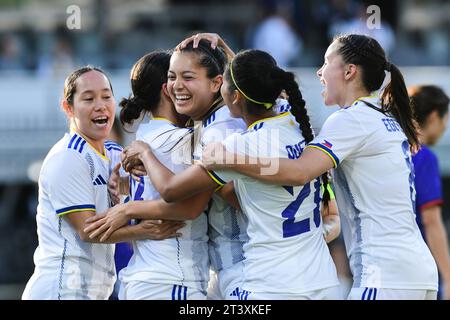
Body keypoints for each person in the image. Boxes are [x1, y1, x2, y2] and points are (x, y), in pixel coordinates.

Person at [202, 34, 439, 300]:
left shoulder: (350, 121)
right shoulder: (381, 114)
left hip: (385, 275)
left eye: (327, 62)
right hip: (416, 270)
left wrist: (229, 159)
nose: (319, 71)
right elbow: (266, 89)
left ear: (349, 71)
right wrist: (232, 60)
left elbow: (300, 172)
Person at [122, 48, 341, 299]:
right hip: (322, 279)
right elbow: (260, 78)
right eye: (172, 77)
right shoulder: (296, 123)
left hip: (267, 281)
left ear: (231, 94)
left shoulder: (231, 144)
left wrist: (146, 155)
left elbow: (172, 191)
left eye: (222, 80)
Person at [22, 66, 183, 300]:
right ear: (68, 108)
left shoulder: (114, 152)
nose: (100, 104)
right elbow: (88, 231)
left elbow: (150, 187)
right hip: (62, 288)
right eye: (88, 98)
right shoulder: (67, 157)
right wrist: (142, 231)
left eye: (106, 96)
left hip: (93, 290)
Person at [86, 51, 213, 300]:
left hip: (144, 279)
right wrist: (129, 207)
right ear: (168, 90)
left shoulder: (144, 138)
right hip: (171, 282)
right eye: (179, 78)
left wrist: (124, 190)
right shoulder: (181, 141)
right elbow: (188, 207)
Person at [409, 85, 450, 300]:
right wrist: (448, 277)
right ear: (434, 117)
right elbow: (431, 220)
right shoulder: (423, 157)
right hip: (417, 267)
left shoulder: (391, 150)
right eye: (445, 120)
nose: (444, 128)